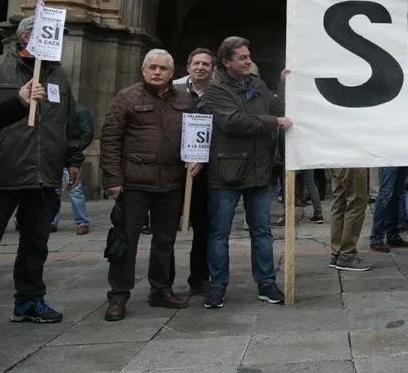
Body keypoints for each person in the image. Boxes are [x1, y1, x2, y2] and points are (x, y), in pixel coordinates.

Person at [0, 16, 83, 324]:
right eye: (53, 34)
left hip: (43, 173)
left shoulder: (57, 75)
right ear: (25, 38)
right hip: (2, 172)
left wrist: (73, 159)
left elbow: (68, 120)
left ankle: (29, 301)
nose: (56, 41)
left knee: (36, 242)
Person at [199, 36, 292, 309]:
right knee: (220, 233)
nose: (249, 60)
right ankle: (217, 286)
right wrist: (272, 122)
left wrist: (284, 87)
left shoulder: (258, 85)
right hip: (226, 172)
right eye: (242, 57)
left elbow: (280, 109)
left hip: (260, 170)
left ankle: (266, 283)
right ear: (226, 63)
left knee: (262, 231)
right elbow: (233, 121)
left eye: (249, 56)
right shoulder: (216, 91)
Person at [101, 49, 192, 321]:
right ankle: (118, 295)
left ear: (171, 73)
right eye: (152, 67)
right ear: (143, 71)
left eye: (162, 68)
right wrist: (113, 179)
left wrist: (196, 160)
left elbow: (197, 134)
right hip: (134, 184)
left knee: (165, 240)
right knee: (125, 241)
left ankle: (161, 289)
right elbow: (110, 138)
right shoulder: (126, 97)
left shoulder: (186, 100)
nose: (156, 72)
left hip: (172, 182)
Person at [173, 48, 214, 295]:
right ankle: (162, 282)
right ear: (188, 66)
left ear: (213, 69)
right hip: (173, 167)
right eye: (196, 63)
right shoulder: (173, 89)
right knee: (166, 228)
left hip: (205, 170)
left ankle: (199, 277)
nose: (200, 67)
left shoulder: (219, 93)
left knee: (204, 227)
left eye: (206, 64)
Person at [51, 103, 94, 234]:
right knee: (53, 190)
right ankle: (51, 221)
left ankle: (82, 222)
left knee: (75, 190)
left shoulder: (79, 110)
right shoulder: (52, 109)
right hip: (53, 155)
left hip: (70, 156)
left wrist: (75, 149)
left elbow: (88, 133)